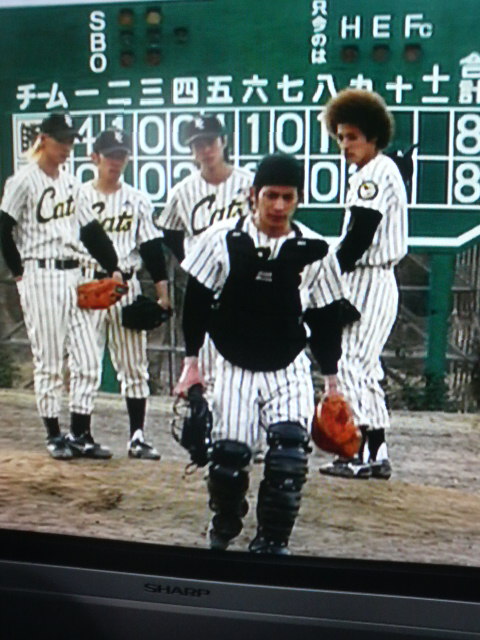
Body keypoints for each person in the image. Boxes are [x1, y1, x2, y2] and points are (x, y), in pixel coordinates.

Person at [174, 153, 356, 555]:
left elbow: (325, 318)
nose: (278, 205)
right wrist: (191, 365)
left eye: (287, 197)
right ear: (253, 194)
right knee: (228, 459)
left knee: (289, 456)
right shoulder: (221, 239)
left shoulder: (315, 249)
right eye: (271, 195)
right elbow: (196, 304)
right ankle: (226, 517)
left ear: (298, 199)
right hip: (232, 362)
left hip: (287, 365)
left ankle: (273, 541)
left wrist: (332, 383)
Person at [0, 112, 123, 460]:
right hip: (41, 273)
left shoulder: (71, 184)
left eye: (71, 140)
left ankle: (81, 433)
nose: (67, 147)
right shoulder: (22, 181)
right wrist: (19, 273)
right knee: (50, 360)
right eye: (62, 140)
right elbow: (4, 227)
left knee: (88, 358)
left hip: (75, 274)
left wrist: (113, 266)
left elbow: (91, 231)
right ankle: (54, 434)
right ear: (43, 140)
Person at [319, 88, 408, 480]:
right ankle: (377, 453)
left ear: (373, 136)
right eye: (340, 137)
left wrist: (329, 274)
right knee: (365, 366)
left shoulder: (372, 174)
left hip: (369, 278)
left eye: (353, 136)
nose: (345, 144)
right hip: (375, 279)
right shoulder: (379, 170)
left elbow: (360, 235)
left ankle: (359, 453)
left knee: (351, 362)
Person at [75, 128, 170, 460]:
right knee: (85, 363)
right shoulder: (77, 197)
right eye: (110, 155)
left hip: (126, 286)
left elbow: (151, 248)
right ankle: (81, 434)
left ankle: (137, 437)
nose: (116, 161)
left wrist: (162, 294)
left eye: (122, 155)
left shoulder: (138, 199)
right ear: (94, 158)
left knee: (133, 365)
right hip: (88, 285)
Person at [155, 114, 253, 392]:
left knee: (246, 358)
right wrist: (189, 261)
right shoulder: (182, 191)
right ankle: (207, 414)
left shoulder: (250, 184)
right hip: (206, 285)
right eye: (198, 145)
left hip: (246, 281)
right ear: (191, 150)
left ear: (223, 142)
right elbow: (170, 231)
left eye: (210, 142)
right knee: (207, 365)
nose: (206, 150)